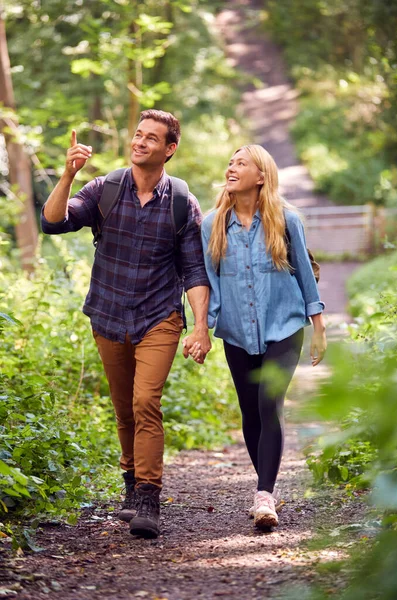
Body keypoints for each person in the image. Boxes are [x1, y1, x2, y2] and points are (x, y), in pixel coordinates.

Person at [41, 109, 211, 539]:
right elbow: (53, 222)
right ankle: (131, 489)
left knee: (145, 402)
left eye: (151, 138)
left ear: (169, 150)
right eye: (138, 135)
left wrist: (200, 327)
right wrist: (67, 174)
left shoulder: (180, 203)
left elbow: (193, 270)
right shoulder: (104, 189)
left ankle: (149, 500)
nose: (140, 142)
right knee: (123, 410)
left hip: (159, 317)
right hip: (109, 314)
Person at [192, 144, 326, 530]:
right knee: (250, 411)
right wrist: (202, 329)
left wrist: (318, 326)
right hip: (236, 331)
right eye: (230, 162)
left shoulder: (286, 221)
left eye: (241, 163)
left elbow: (304, 271)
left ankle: (264, 494)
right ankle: (266, 486)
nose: (231, 168)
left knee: (269, 404)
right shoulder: (212, 224)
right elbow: (209, 282)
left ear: (261, 175)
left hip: (284, 325)